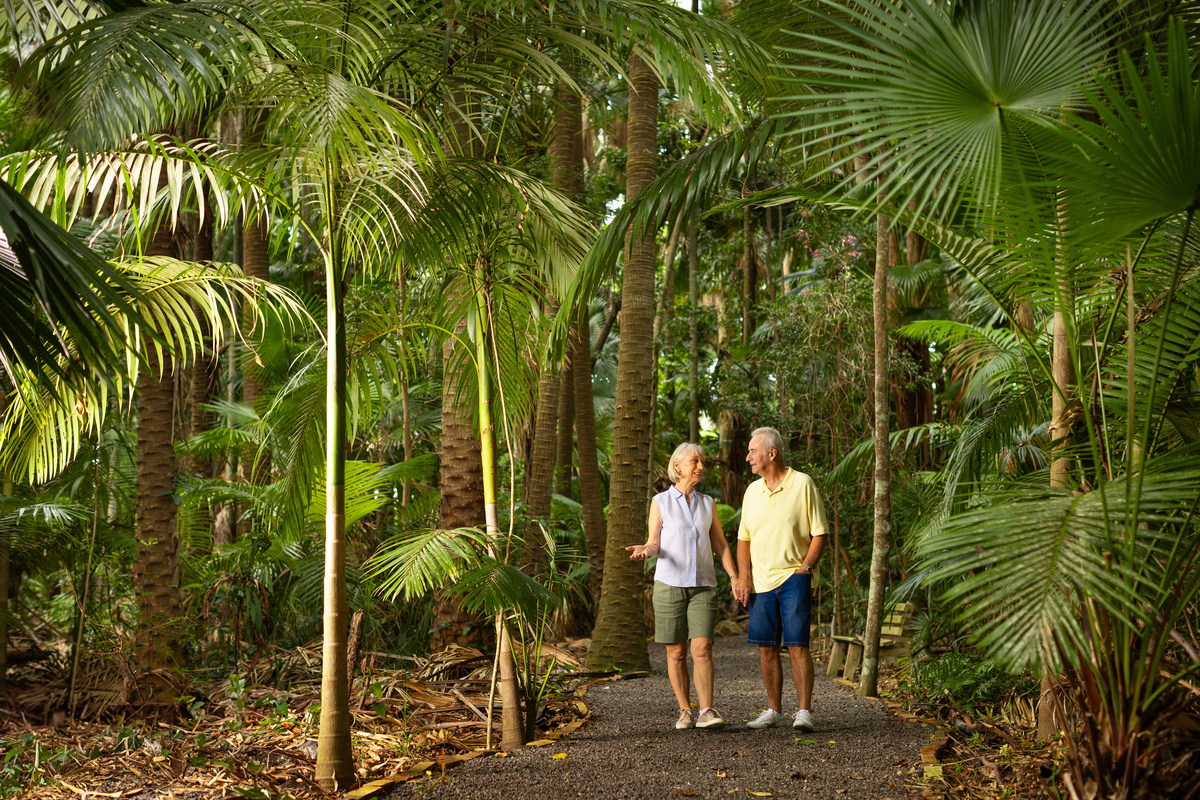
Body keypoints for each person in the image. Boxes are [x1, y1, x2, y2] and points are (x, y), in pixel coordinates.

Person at [628, 442, 739, 731]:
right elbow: (654, 541)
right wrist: (645, 549)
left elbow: (720, 545)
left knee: (701, 649)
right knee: (676, 652)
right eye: (695, 461)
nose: (700, 466)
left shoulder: (707, 503)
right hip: (669, 584)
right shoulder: (660, 502)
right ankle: (684, 710)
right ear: (678, 466)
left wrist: (735, 576)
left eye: (702, 462)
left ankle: (706, 710)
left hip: (703, 584)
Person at [732, 426, 828, 731]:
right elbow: (743, 540)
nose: (747, 457)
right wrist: (743, 578)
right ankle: (774, 710)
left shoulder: (802, 484)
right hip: (760, 583)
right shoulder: (752, 491)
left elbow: (819, 532)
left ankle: (804, 712)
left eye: (752, 451)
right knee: (766, 647)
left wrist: (806, 568)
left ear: (771, 453)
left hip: (793, 578)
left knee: (798, 645)